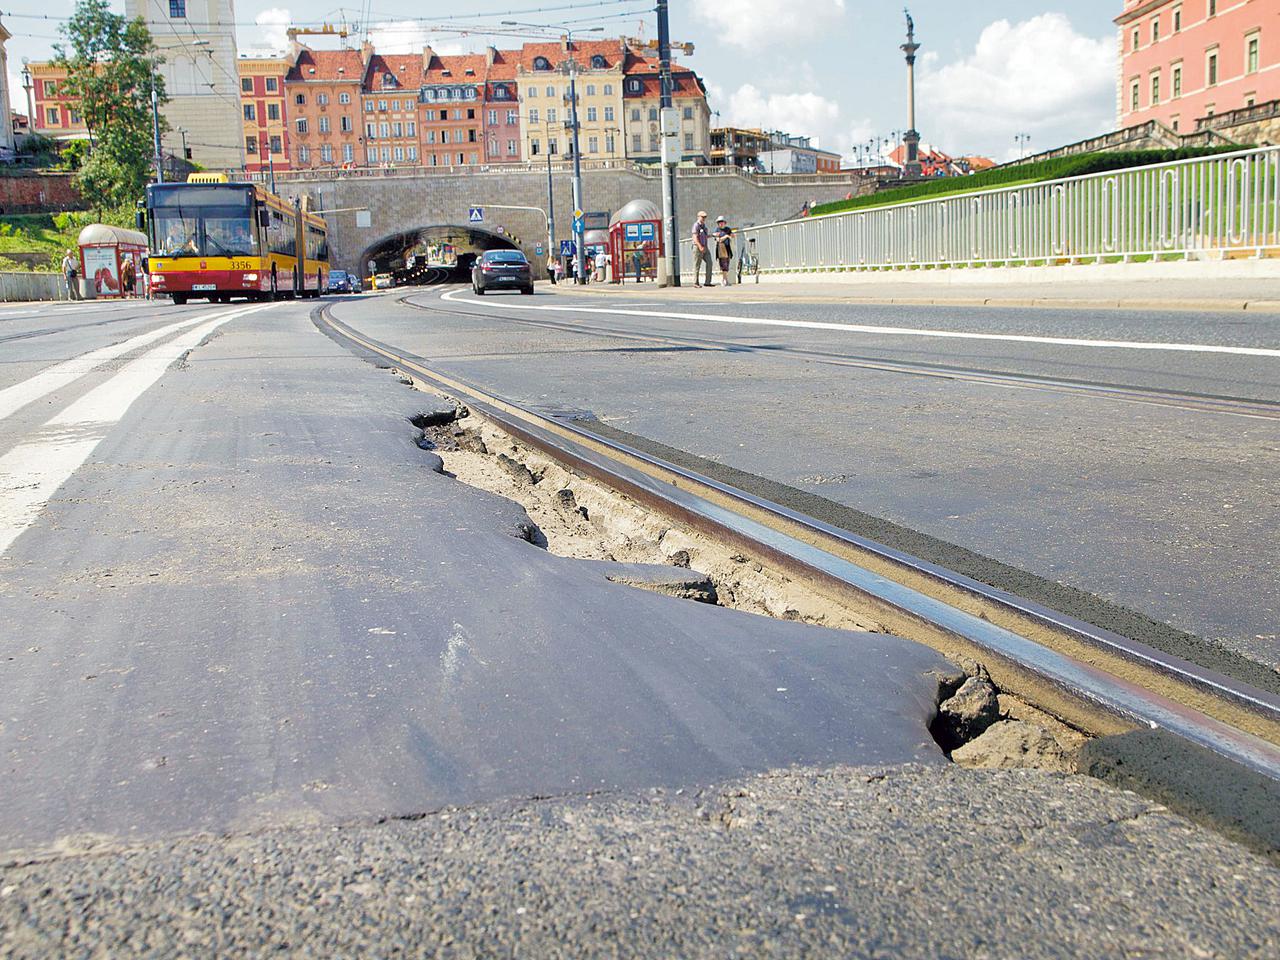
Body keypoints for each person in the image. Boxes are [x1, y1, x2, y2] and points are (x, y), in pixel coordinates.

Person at [690, 210, 712, 287]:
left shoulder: (704, 226)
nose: (704, 218)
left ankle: (707, 282)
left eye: (705, 217)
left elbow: (705, 236)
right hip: (697, 247)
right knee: (697, 265)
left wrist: (712, 235)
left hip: (704, 246)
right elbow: (695, 238)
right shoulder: (696, 225)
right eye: (702, 217)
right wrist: (700, 246)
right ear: (698, 217)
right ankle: (695, 283)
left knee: (709, 262)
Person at [714, 217, 734, 287]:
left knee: (727, 263)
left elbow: (732, 236)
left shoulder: (728, 229)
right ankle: (724, 280)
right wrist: (726, 236)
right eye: (719, 222)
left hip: (727, 248)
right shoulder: (717, 230)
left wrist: (731, 235)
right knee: (723, 264)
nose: (721, 223)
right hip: (721, 248)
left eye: (722, 222)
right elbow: (718, 240)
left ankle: (725, 279)